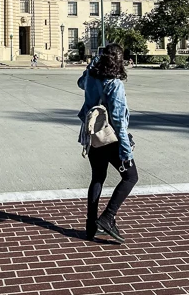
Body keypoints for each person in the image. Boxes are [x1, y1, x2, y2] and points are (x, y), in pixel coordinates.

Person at [77, 43, 138, 244]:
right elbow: (119, 121)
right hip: (110, 137)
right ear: (119, 61)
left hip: (93, 135)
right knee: (130, 177)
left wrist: (93, 62)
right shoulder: (115, 84)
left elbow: (80, 82)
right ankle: (108, 217)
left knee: (97, 178)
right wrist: (125, 150)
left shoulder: (91, 78)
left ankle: (90, 224)